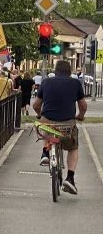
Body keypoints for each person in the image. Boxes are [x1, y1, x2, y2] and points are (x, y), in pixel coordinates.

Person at [34, 59, 88, 194]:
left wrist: (39, 115)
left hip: (48, 122)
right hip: (67, 124)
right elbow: (83, 105)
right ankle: (70, 178)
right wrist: (80, 116)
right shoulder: (75, 83)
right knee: (73, 148)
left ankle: (45, 153)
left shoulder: (46, 82)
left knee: (45, 127)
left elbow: (36, 105)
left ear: (55, 71)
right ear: (69, 72)